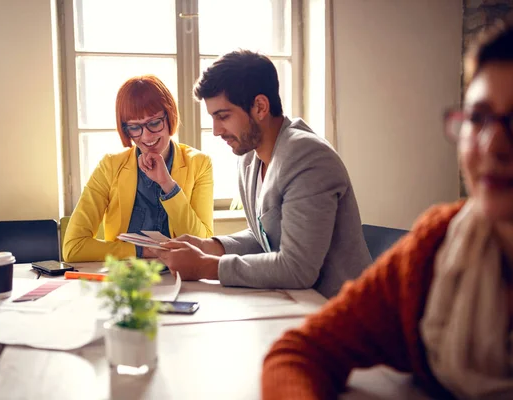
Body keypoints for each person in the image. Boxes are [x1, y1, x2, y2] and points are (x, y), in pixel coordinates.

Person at [262, 21, 513, 400]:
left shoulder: (304, 153)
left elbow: (296, 264)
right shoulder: (438, 249)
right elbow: (299, 352)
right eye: (477, 118)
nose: (493, 144)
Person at [153, 51, 370, 297]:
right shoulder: (249, 156)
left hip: (346, 313)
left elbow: (298, 268)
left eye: (223, 116)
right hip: (298, 304)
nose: (215, 131)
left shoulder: (308, 157)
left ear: (260, 107)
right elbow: (265, 238)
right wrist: (210, 247)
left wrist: (205, 266)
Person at [63, 75, 214, 262]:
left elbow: (204, 244)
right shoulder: (110, 166)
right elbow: (73, 247)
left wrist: (168, 185)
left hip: (181, 275)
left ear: (170, 116)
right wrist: (142, 251)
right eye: (135, 127)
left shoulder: (199, 164)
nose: (147, 136)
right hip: (126, 278)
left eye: (154, 123)